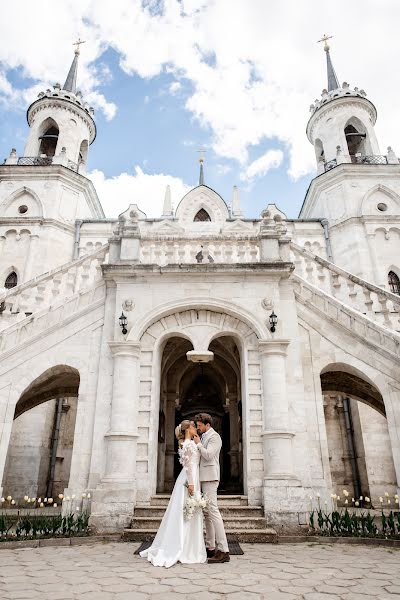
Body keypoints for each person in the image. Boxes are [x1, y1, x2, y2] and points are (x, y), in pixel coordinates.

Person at [140, 420, 207, 567]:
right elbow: (189, 466)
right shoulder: (189, 444)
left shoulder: (188, 443)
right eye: (193, 426)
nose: (196, 428)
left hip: (191, 476)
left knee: (187, 510)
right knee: (186, 510)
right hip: (189, 478)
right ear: (188, 429)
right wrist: (191, 483)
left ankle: (189, 546)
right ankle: (184, 548)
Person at [194, 412, 230, 563]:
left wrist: (198, 444)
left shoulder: (215, 437)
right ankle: (210, 547)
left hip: (211, 477)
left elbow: (208, 455)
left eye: (200, 425)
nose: (198, 428)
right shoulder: (203, 436)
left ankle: (223, 550)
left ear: (207, 424)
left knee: (213, 511)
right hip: (203, 477)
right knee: (207, 513)